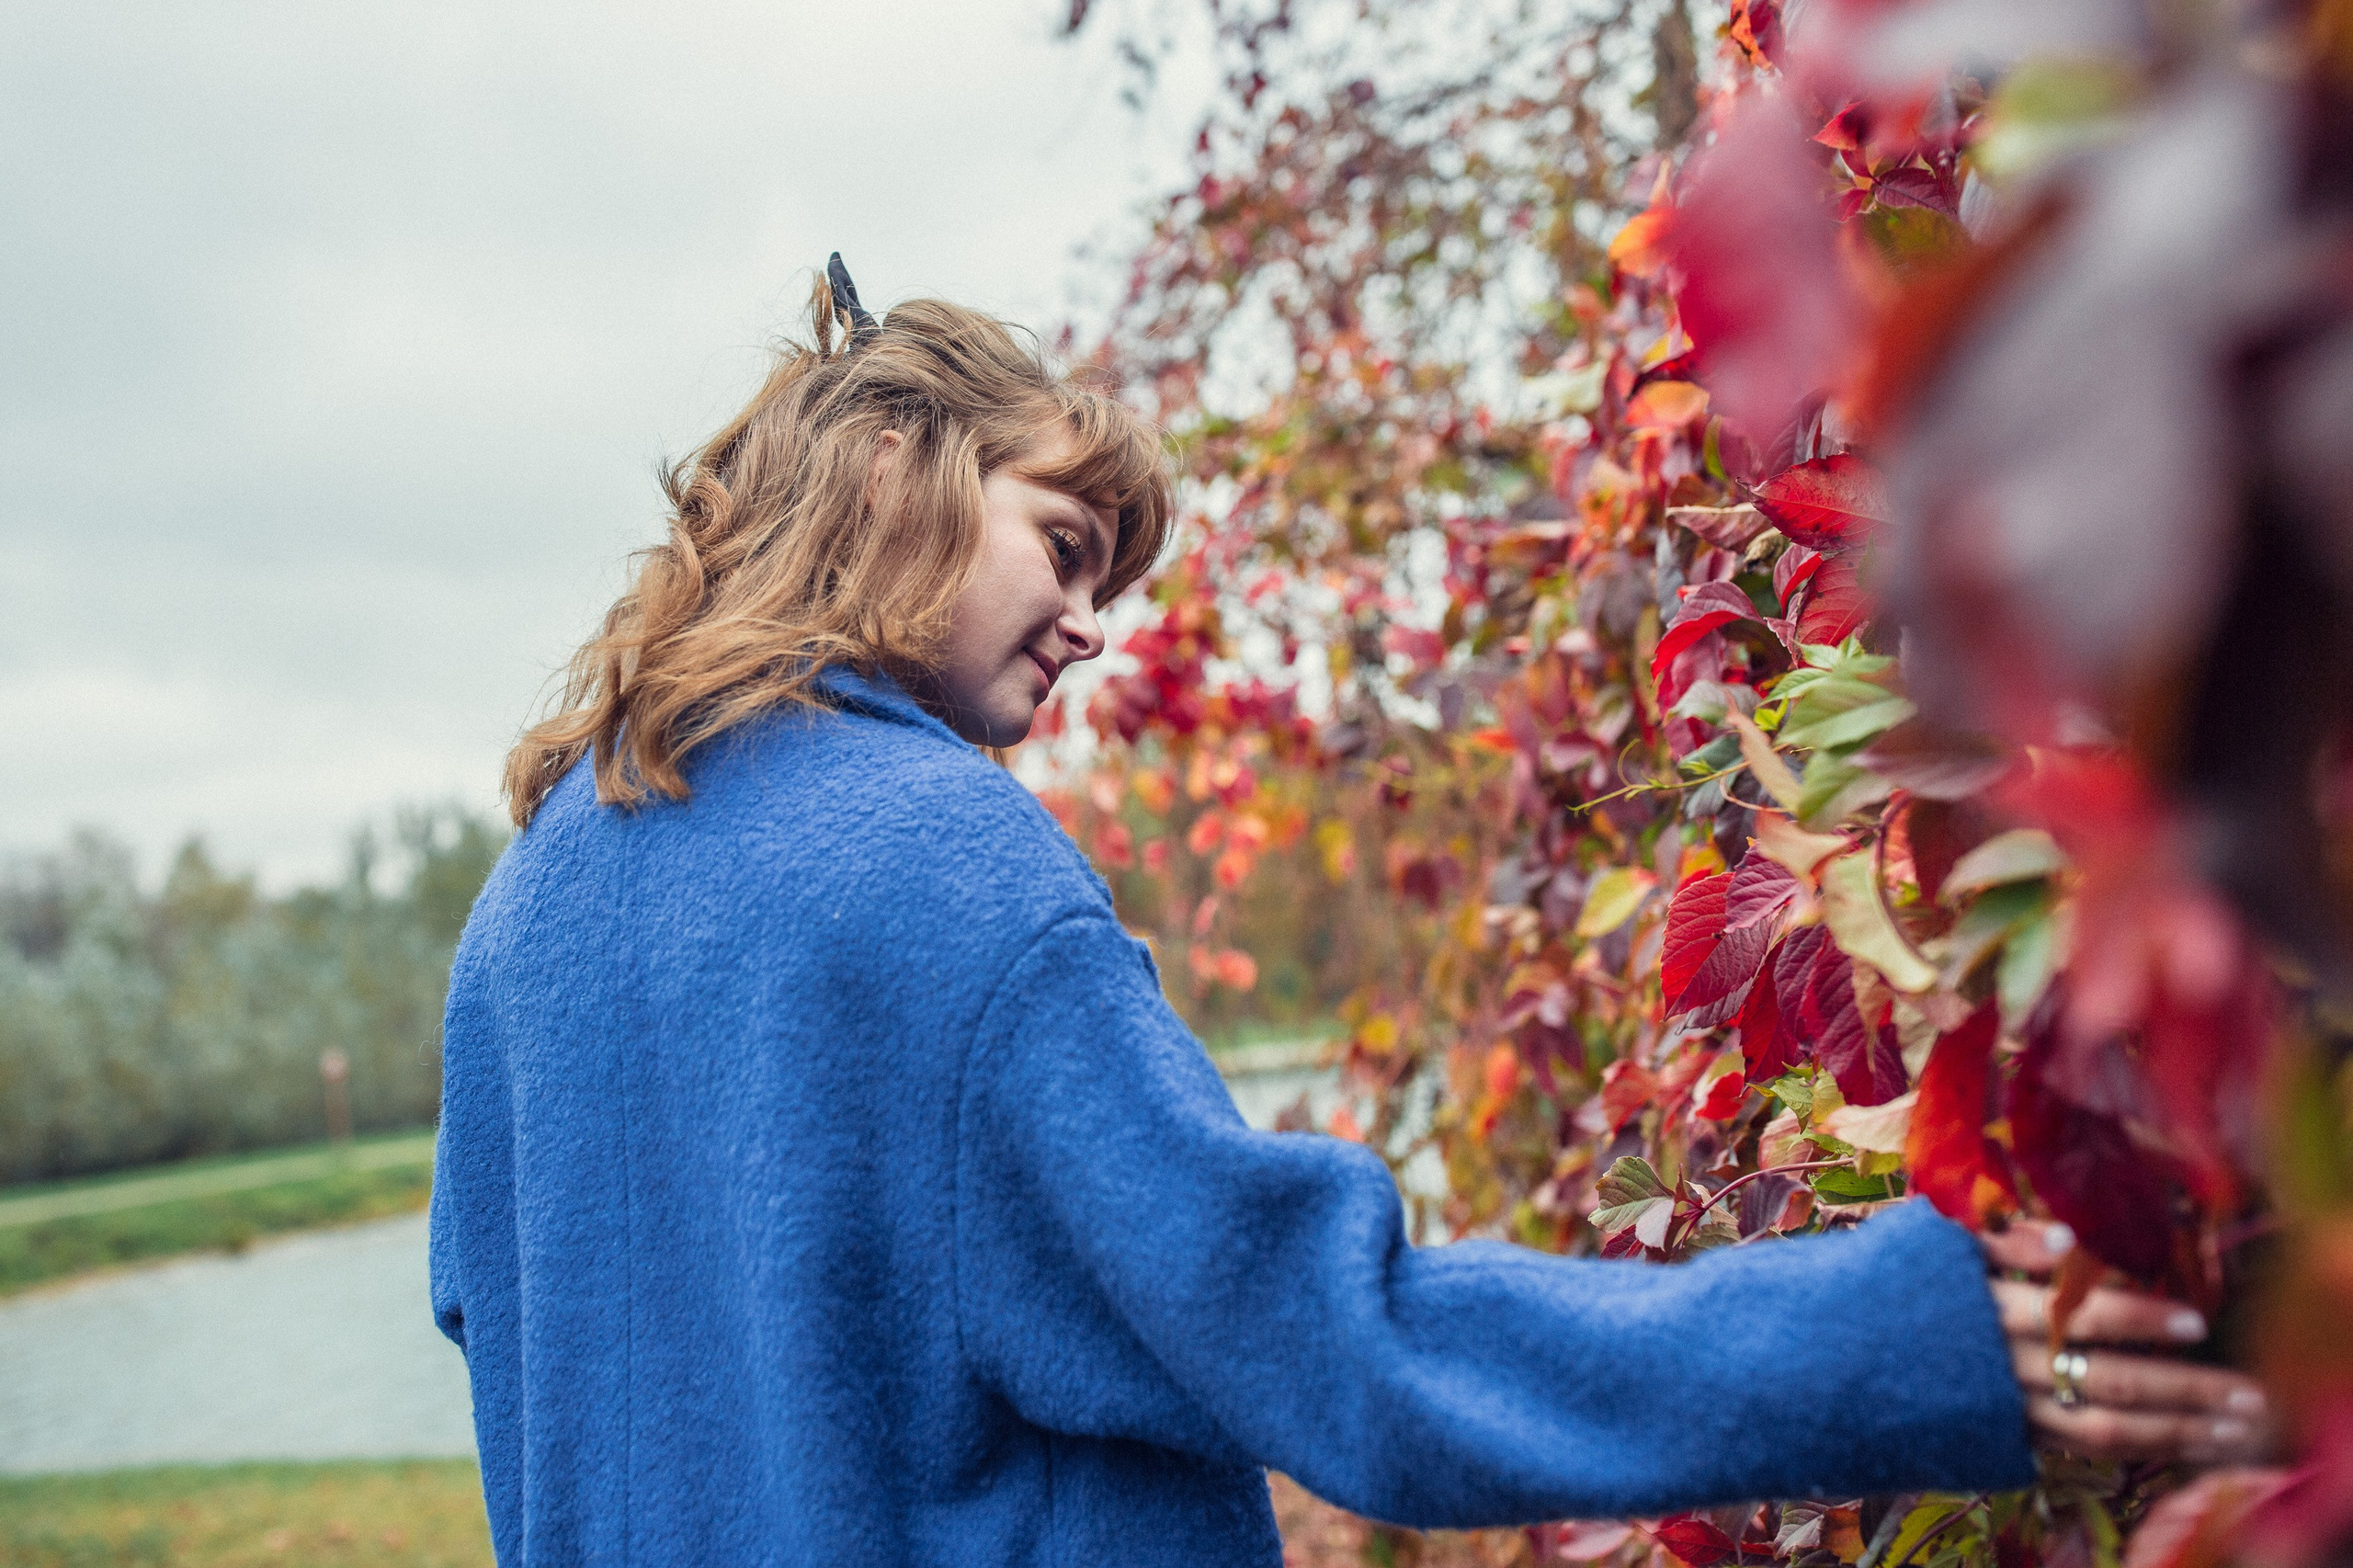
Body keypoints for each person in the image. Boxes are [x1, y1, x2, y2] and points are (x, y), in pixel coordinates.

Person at [428, 258, 2268, 1567]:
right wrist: (1909, 1339)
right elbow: (1332, 1347)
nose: (1090, 624)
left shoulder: (523, 917)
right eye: (1063, 548)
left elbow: (531, 1346)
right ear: (892, 476)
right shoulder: (935, 868)